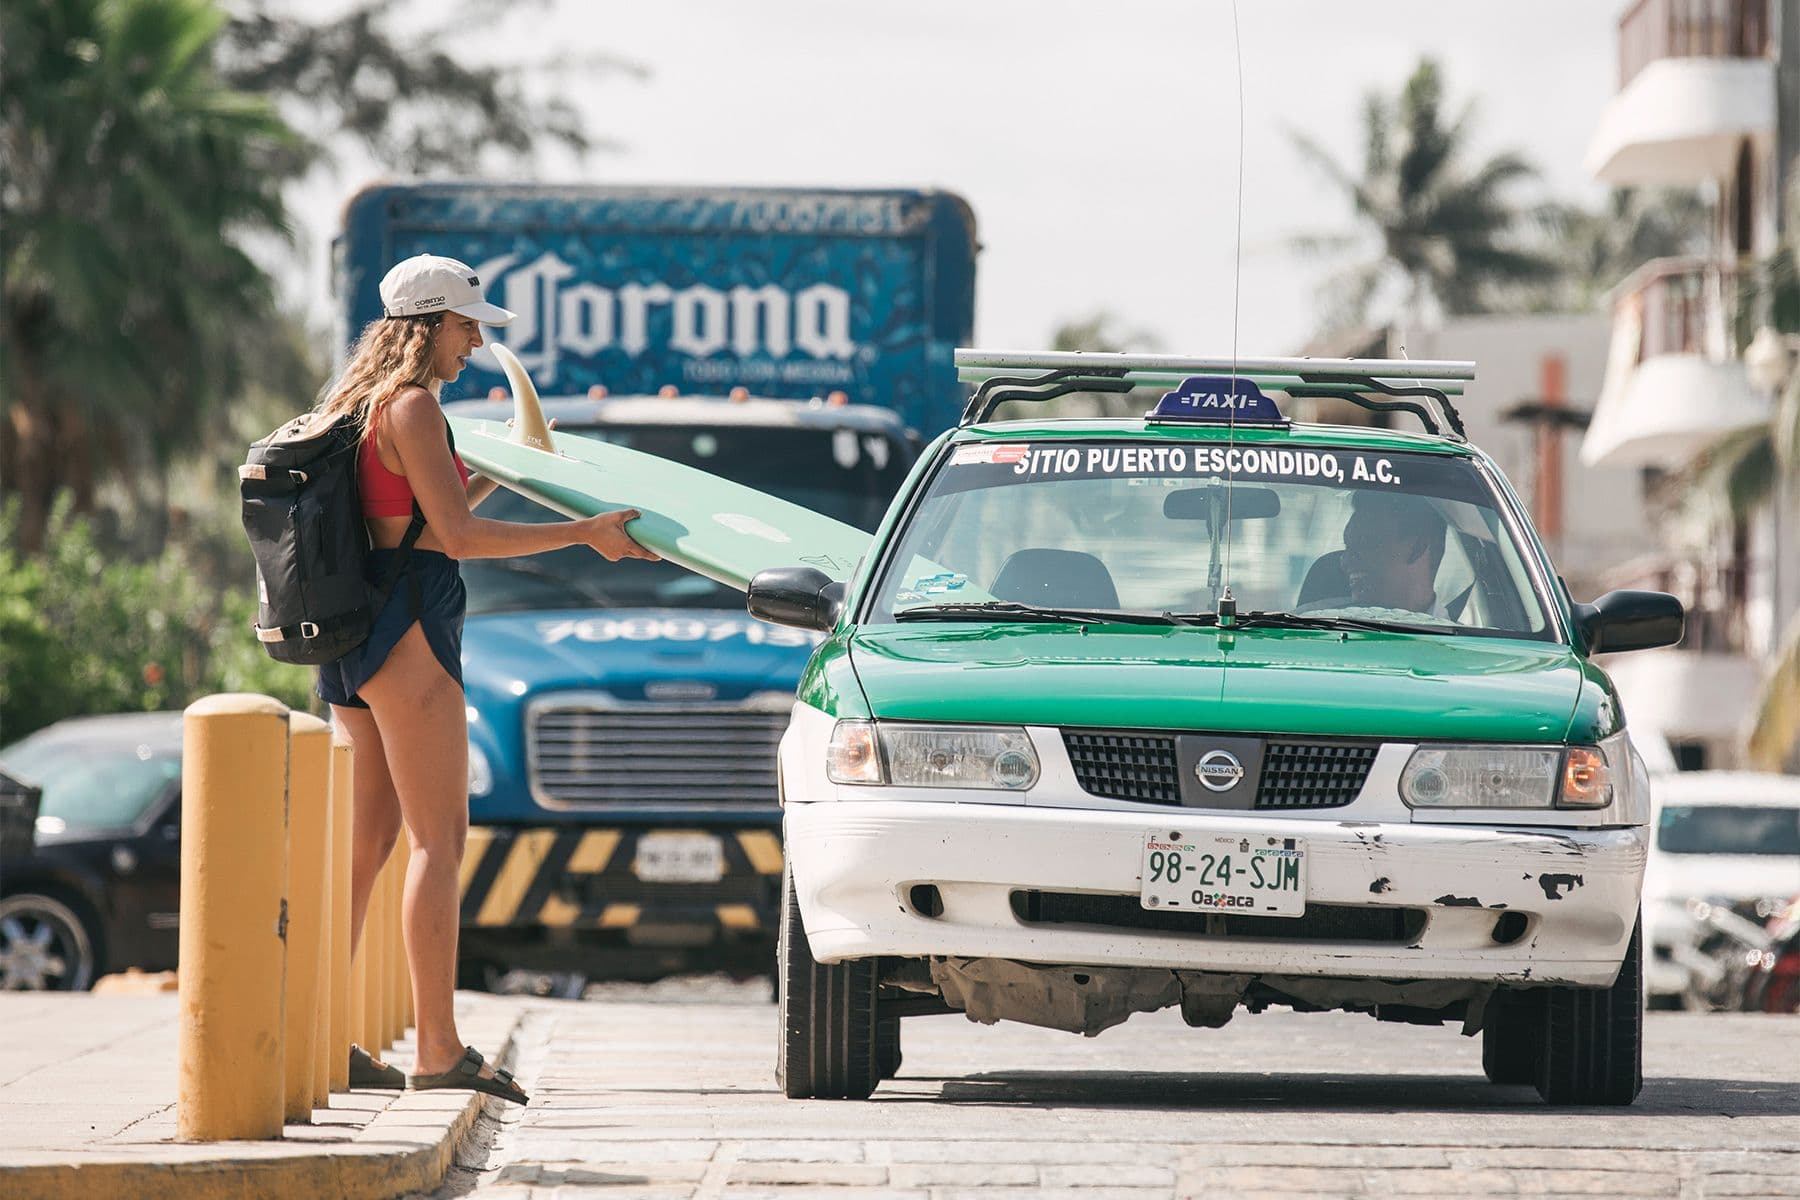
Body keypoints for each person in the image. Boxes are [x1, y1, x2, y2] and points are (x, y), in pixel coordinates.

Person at [314, 254, 657, 1104]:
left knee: (366, 846)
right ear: (429, 325)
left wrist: (511, 469)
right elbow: (458, 537)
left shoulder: (355, 406)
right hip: (409, 631)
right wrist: (587, 534)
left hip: (350, 636)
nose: (475, 342)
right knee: (439, 841)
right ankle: (437, 1051)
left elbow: (416, 508)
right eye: (468, 326)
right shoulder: (417, 407)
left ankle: (317, 1040)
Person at [1310, 490, 1448, 617]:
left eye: (1366, 543)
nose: (1345, 561)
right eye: (1348, 547)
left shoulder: (1462, 640)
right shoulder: (1307, 622)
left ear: (1417, 548)